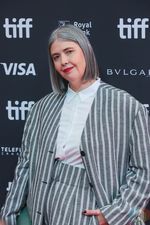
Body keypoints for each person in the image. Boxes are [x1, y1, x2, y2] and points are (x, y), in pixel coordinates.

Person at [0, 24, 150, 225]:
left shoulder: (128, 106)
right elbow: (25, 166)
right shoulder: (41, 108)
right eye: (56, 57)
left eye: (69, 51)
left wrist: (114, 214)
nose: (63, 61)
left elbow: (144, 171)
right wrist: (7, 215)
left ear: (85, 51)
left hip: (91, 210)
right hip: (42, 209)